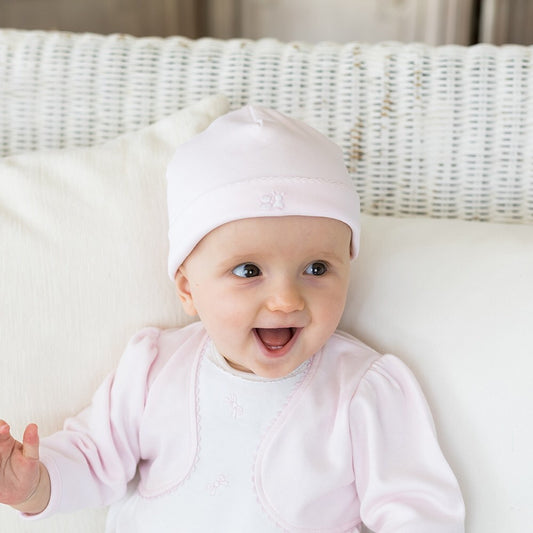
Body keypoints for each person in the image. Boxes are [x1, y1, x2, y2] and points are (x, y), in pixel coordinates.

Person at [0, 106, 465, 532]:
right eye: (248, 271)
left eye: (316, 269)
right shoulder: (154, 368)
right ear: (188, 289)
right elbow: (92, 459)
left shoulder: (361, 390)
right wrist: (34, 484)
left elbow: (418, 511)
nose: (285, 300)